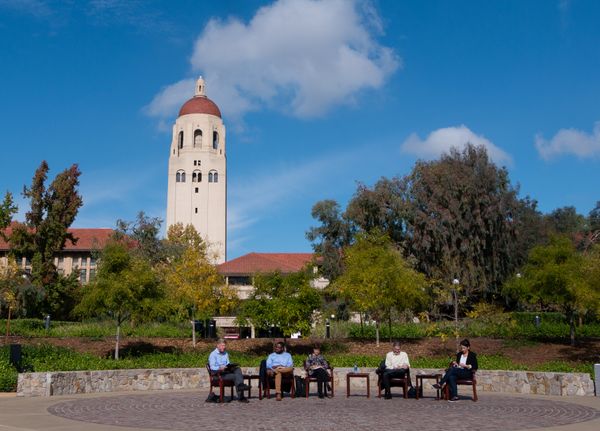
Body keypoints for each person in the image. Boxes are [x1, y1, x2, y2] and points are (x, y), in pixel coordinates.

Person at [208, 339, 249, 403]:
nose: (224, 347)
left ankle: (240, 386)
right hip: (218, 375)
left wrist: (230, 366)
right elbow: (212, 367)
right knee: (235, 376)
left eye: (224, 346)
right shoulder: (213, 354)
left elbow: (227, 363)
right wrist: (219, 368)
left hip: (225, 372)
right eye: (222, 345)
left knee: (237, 369)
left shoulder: (225, 353)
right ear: (218, 345)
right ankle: (241, 396)